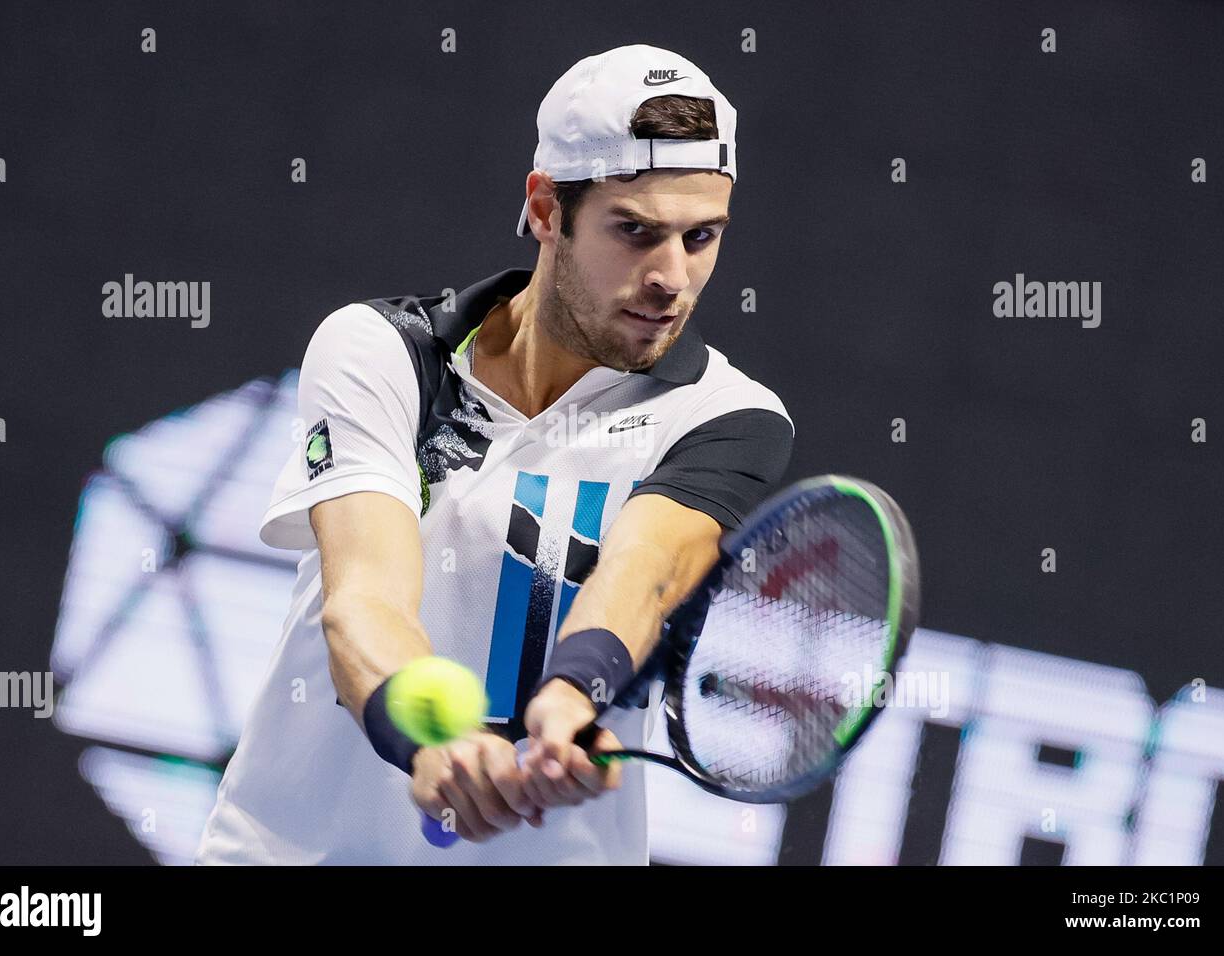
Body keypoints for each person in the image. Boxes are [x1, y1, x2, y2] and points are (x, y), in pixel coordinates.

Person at [195, 43, 793, 865]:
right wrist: (427, 737)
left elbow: (647, 573)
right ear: (547, 211)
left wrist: (571, 692)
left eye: (701, 237)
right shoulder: (383, 351)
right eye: (636, 232)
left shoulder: (732, 415)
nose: (672, 278)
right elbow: (364, 600)